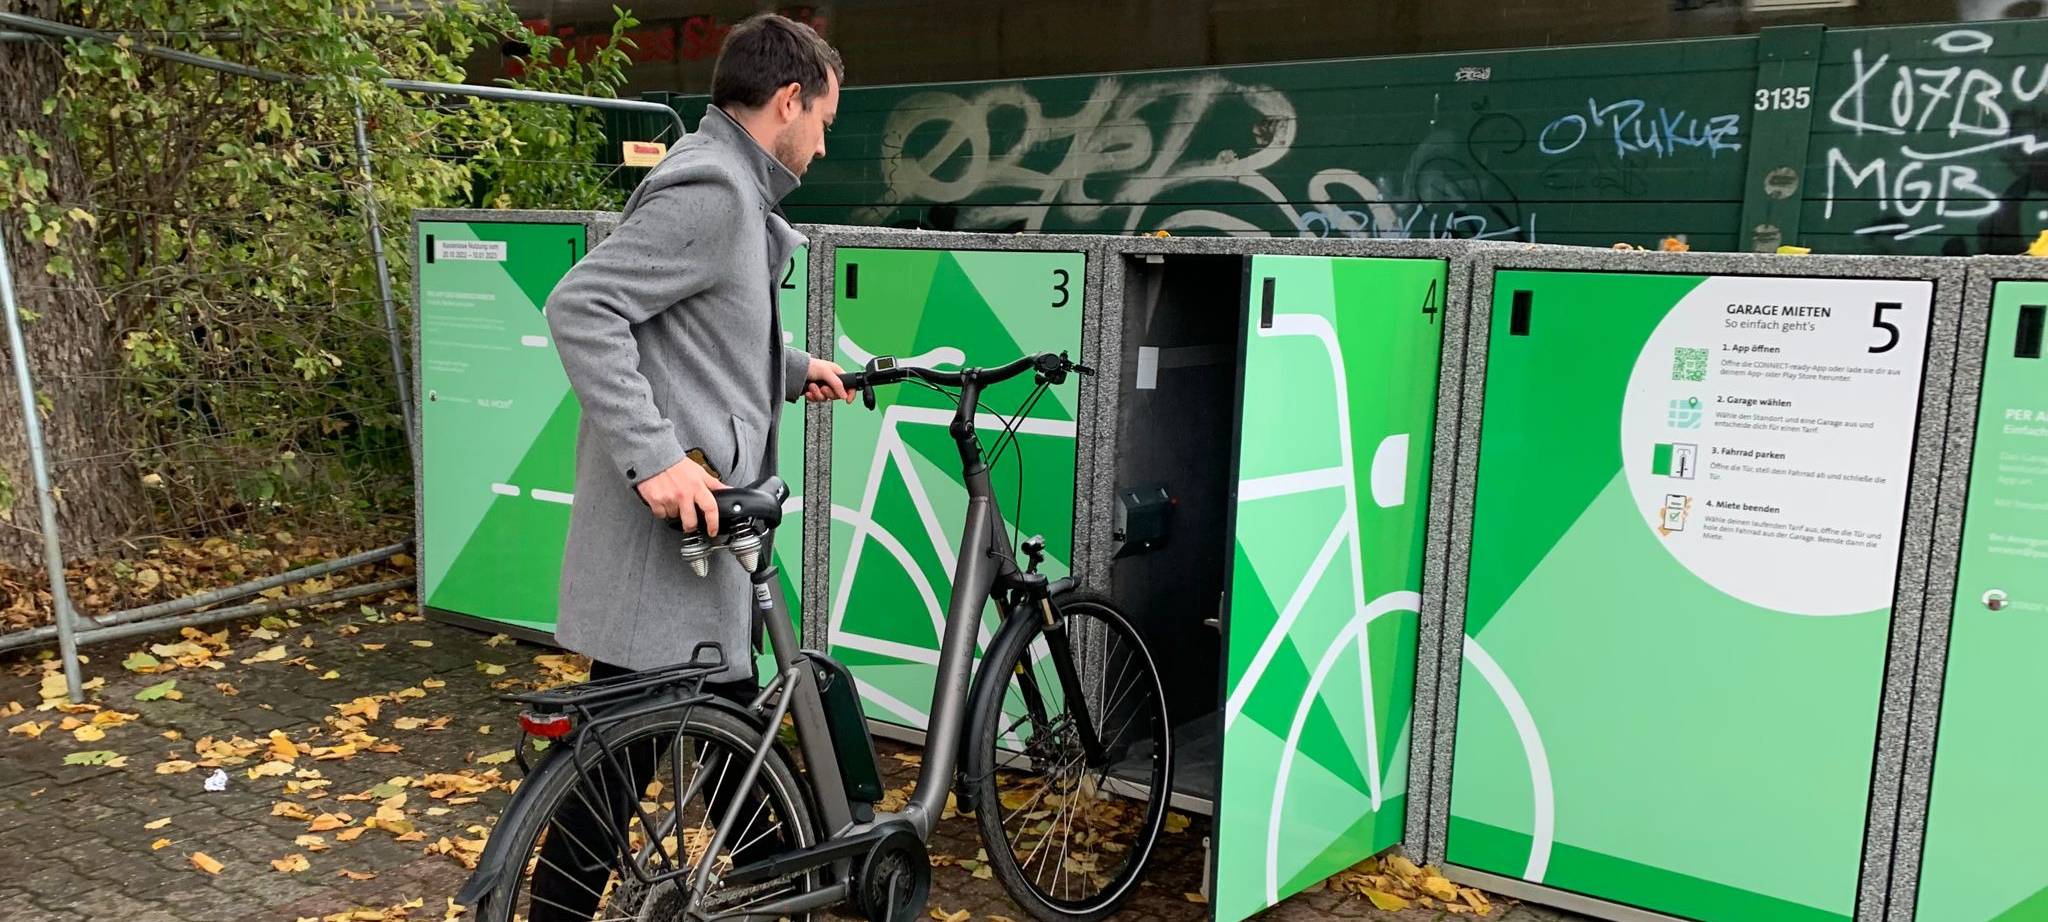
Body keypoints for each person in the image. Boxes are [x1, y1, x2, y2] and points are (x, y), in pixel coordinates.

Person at [527, 14, 850, 919]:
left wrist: (791, 369)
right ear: (788, 101)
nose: (823, 145)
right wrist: (656, 457)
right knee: (611, 790)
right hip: (671, 546)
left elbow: (692, 330)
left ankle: (801, 891)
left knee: (728, 748)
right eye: (822, 120)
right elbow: (583, 306)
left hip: (706, 547)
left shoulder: (734, 193)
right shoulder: (713, 188)